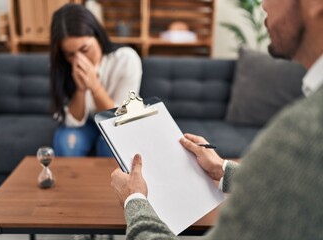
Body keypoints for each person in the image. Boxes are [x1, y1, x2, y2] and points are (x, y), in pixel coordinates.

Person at [110, 0, 323, 239]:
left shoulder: (304, 134)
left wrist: (134, 200)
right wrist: (222, 170)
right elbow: (299, 184)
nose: (263, 5)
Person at [50, 4, 142, 157]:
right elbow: (72, 122)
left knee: (111, 148)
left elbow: (120, 119)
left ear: (98, 36)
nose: (79, 60)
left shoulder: (126, 59)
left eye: (84, 49)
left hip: (116, 124)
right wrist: (80, 89)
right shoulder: (62, 66)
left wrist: (95, 87)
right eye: (70, 54)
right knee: (67, 143)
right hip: (85, 123)